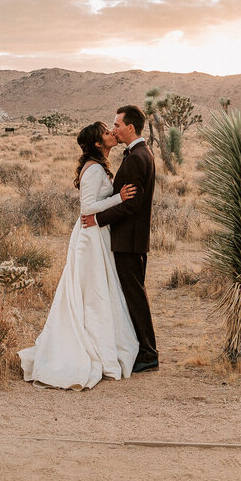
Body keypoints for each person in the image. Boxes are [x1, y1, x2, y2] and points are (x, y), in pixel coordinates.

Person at [18, 121, 139, 390]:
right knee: (93, 291)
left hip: (96, 234)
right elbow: (87, 209)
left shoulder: (98, 165)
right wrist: (119, 198)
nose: (111, 133)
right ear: (98, 143)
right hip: (89, 236)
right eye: (106, 133)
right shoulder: (94, 169)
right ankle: (91, 348)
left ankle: (99, 341)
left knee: (97, 290)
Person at [81, 104, 158, 372]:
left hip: (129, 239)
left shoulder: (137, 157)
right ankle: (142, 348)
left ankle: (148, 353)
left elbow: (132, 205)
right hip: (129, 238)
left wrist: (97, 220)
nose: (114, 129)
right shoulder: (139, 153)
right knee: (132, 294)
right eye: (112, 126)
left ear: (130, 128)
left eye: (117, 125)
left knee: (135, 295)